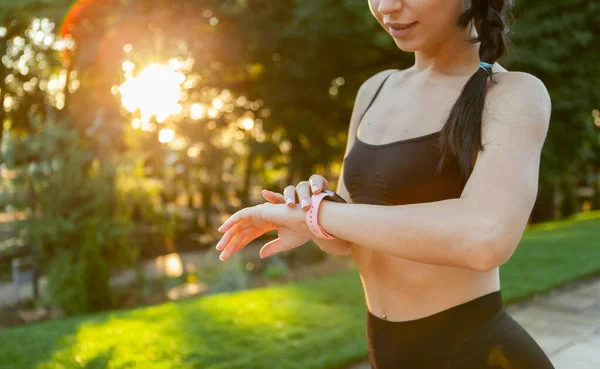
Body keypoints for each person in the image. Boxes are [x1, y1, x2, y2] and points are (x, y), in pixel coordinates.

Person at [215, 0, 555, 368]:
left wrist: (321, 215)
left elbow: (485, 238)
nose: (386, 6)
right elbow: (347, 241)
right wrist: (313, 211)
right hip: (386, 353)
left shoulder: (514, 93)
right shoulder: (375, 89)